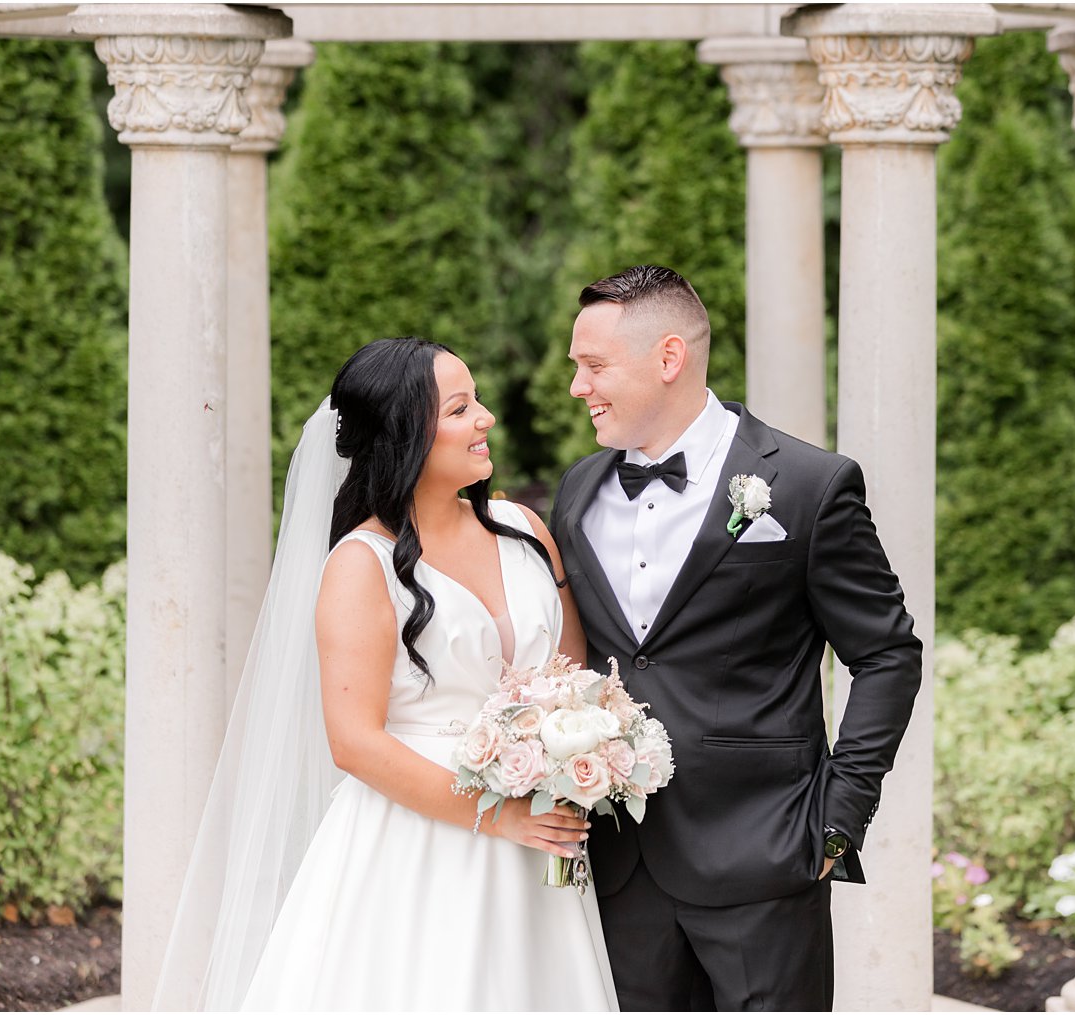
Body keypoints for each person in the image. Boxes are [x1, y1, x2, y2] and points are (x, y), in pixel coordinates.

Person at [153, 338, 616, 1011]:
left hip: (537, 847)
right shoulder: (359, 565)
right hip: (419, 847)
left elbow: (572, 679)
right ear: (406, 436)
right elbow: (355, 741)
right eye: (460, 408)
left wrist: (588, 751)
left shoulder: (524, 529)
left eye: (477, 400)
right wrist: (502, 817)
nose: (485, 418)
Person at [550, 265, 923, 1011]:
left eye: (593, 367)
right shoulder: (577, 492)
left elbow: (886, 653)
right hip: (623, 869)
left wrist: (838, 816)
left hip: (768, 858)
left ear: (668, 358)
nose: (577, 387)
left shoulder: (810, 485)